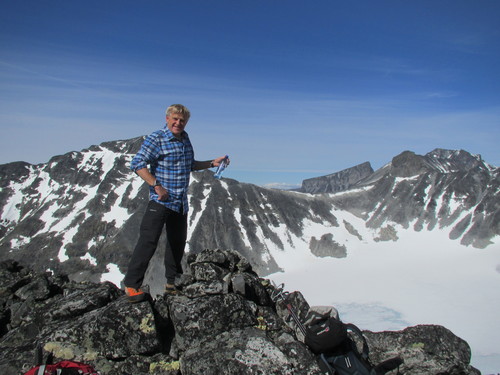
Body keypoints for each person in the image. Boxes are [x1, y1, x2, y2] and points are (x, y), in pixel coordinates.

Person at [123, 104, 228, 302]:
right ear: (167, 118)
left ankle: (173, 283)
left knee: (176, 243)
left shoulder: (184, 139)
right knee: (148, 242)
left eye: (182, 120)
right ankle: (131, 286)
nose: (178, 123)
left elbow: (190, 165)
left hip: (180, 202)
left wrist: (212, 163)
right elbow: (137, 164)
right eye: (175, 119)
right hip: (160, 201)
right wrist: (156, 185)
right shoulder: (157, 138)